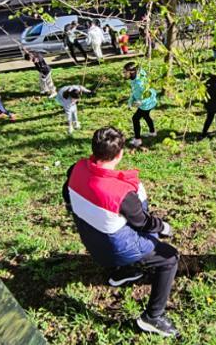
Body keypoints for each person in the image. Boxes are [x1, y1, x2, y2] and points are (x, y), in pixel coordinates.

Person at [62, 127, 179, 337]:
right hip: (115, 250)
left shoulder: (76, 168)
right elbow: (143, 223)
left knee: (121, 224)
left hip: (91, 240)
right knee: (169, 258)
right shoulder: (120, 192)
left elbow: (67, 194)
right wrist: (164, 227)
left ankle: (123, 272)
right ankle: (153, 317)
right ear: (119, 154)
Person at [124, 62, 158, 148]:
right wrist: (130, 102)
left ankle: (137, 140)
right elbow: (134, 92)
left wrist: (141, 102)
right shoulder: (133, 79)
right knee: (146, 116)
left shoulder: (140, 83)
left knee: (135, 118)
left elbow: (153, 93)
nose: (123, 74)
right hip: (144, 103)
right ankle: (152, 132)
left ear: (131, 72)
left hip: (147, 104)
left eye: (125, 72)